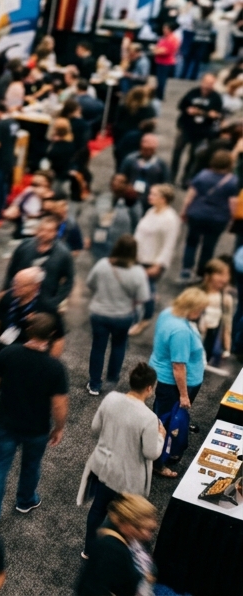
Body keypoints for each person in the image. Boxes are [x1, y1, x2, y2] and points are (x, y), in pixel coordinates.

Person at [0, 313, 69, 531]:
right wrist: (59, 428)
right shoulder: (55, 368)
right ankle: (25, 500)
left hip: (6, 423)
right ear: (49, 336)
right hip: (37, 429)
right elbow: (59, 405)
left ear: (28, 331)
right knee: (31, 465)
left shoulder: (9, 353)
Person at [75, 363, 164, 558]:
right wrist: (161, 437)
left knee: (98, 509)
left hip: (103, 467)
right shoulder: (149, 418)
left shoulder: (111, 399)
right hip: (127, 476)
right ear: (150, 388)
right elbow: (151, 452)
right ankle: (112, 554)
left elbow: (95, 428)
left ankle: (89, 550)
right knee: (124, 517)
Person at [148, 288, 208, 478]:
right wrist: (184, 395)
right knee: (164, 423)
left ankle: (162, 451)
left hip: (168, 380)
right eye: (199, 310)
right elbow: (178, 367)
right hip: (174, 385)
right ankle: (157, 463)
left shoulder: (169, 313)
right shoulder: (180, 331)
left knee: (162, 417)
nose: (200, 314)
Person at [84, 236, 150, 395]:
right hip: (123, 316)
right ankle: (111, 381)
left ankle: (94, 384)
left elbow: (89, 283)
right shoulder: (138, 272)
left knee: (98, 347)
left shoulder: (102, 265)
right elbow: (143, 297)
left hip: (99, 313)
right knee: (118, 346)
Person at [74, 494, 159, 596]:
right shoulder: (109, 550)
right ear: (127, 525)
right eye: (143, 529)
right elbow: (91, 589)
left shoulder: (136, 538)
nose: (148, 535)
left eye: (150, 530)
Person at [179, 150, 237, 280]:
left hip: (197, 214)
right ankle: (202, 272)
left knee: (191, 242)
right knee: (209, 246)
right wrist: (233, 220)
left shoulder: (203, 175)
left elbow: (190, 196)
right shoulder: (233, 181)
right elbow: (232, 203)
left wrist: (184, 211)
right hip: (218, 218)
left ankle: (186, 270)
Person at [131, 184, 180, 335]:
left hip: (152, 261)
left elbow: (169, 245)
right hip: (139, 258)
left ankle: (144, 319)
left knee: (148, 292)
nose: (149, 196)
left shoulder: (170, 219)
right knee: (138, 289)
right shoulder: (151, 211)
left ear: (163, 199)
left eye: (154, 194)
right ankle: (136, 316)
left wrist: (158, 265)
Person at [4, 216, 76, 308]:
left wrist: (55, 302)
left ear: (55, 232)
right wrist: (6, 289)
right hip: (19, 298)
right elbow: (12, 269)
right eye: (41, 230)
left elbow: (69, 281)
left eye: (48, 231)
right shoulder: (25, 246)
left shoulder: (63, 253)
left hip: (46, 300)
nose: (44, 233)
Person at [172, 72, 223, 184]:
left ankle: (186, 178)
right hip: (185, 128)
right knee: (177, 152)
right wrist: (189, 110)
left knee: (193, 156)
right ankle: (172, 176)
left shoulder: (216, 97)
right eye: (206, 83)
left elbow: (217, 114)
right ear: (202, 82)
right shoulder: (193, 93)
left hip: (201, 131)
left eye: (210, 83)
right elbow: (181, 105)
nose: (207, 86)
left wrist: (200, 112)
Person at [117, 134, 169, 217]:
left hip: (150, 199)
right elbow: (121, 177)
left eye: (151, 149)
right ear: (141, 147)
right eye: (145, 149)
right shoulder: (130, 160)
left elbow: (165, 184)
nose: (148, 152)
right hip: (130, 197)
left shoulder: (161, 165)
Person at [199, 257, 234, 365]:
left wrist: (227, 347)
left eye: (226, 275)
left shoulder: (226, 299)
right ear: (208, 275)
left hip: (210, 338)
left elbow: (227, 324)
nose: (224, 279)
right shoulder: (197, 294)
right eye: (220, 274)